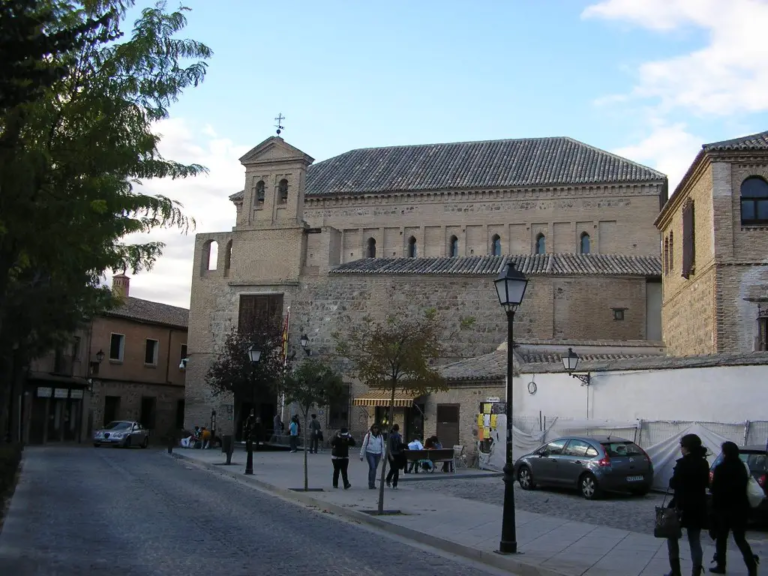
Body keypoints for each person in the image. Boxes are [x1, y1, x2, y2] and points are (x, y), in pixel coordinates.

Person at [709, 441, 759, 575]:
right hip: (740, 508)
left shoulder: (721, 468)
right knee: (740, 538)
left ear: (725, 453)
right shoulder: (742, 467)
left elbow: (715, 490)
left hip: (723, 509)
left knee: (721, 538)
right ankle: (751, 566)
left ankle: (721, 565)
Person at [665, 433, 710, 576]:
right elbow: (706, 483)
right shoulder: (704, 463)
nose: (681, 448)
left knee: (671, 537)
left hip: (680, 505)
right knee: (694, 540)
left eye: (682, 446)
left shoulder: (682, 464)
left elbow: (674, 483)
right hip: (697, 505)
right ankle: (696, 572)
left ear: (688, 447)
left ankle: (676, 571)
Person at [360, 423, 385, 489]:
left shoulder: (380, 436)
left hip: (378, 453)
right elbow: (364, 445)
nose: (375, 430)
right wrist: (361, 455)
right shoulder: (368, 435)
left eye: (376, 428)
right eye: (374, 428)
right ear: (372, 429)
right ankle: (371, 483)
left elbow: (382, 446)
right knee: (373, 468)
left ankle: (372, 482)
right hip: (370, 453)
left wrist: (383, 456)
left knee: (373, 469)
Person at [386, 424, 405, 489]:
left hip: (397, 454)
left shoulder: (399, 436)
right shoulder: (391, 437)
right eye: (395, 430)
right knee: (394, 468)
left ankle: (394, 484)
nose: (396, 432)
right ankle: (389, 480)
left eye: (397, 430)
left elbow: (400, 445)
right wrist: (391, 455)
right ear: (393, 430)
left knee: (396, 469)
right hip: (392, 454)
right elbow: (388, 448)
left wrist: (402, 449)